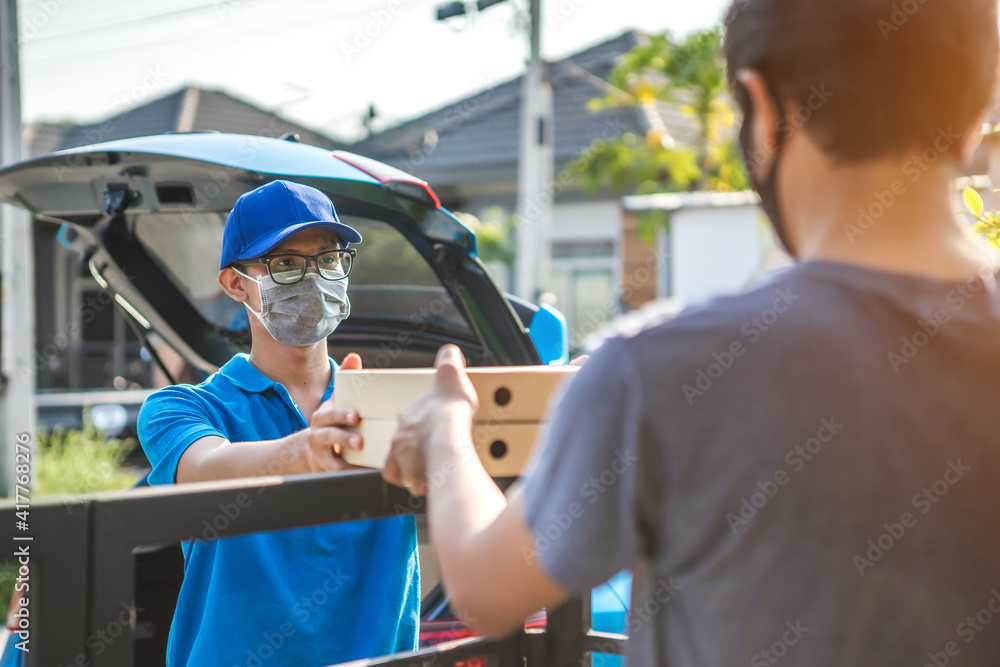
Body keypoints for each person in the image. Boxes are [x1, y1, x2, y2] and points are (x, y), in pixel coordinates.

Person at [380, 0, 1000, 664]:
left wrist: (446, 426)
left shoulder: (662, 369)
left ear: (763, 108)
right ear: (977, 110)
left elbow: (485, 585)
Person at [138, 180, 418, 666]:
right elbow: (206, 467)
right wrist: (304, 451)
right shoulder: (183, 408)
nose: (314, 278)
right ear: (234, 284)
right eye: (286, 264)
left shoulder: (398, 403)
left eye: (328, 259)